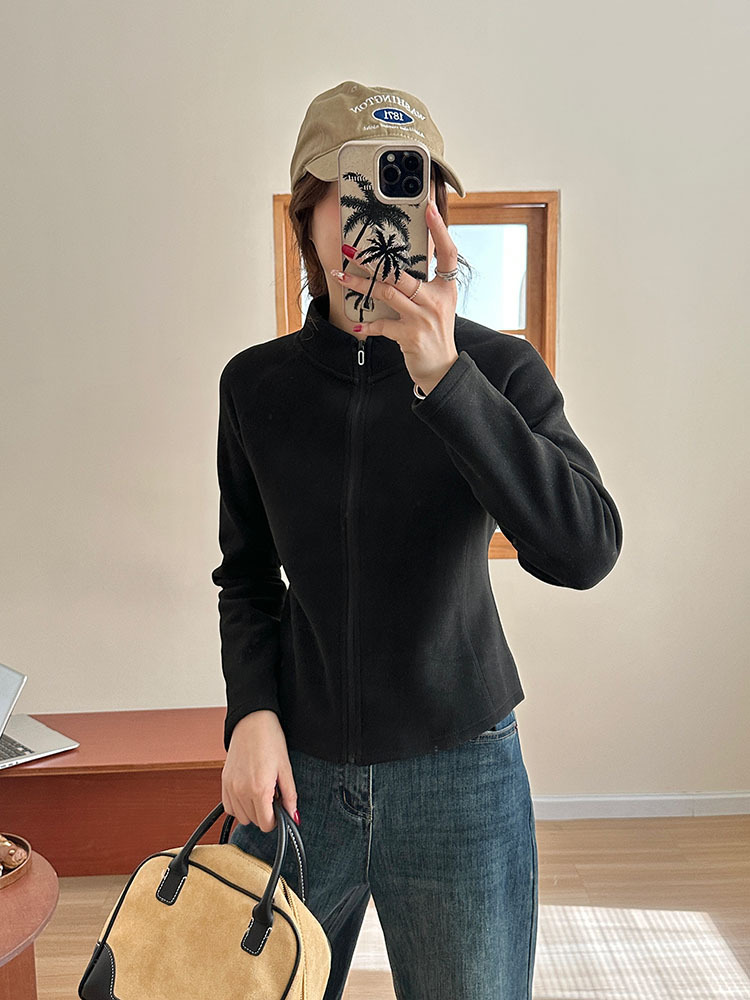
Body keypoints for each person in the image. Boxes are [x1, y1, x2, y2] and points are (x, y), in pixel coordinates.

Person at [212, 80, 623, 1000]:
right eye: (354, 191)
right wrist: (250, 713)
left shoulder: (498, 368)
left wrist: (447, 380)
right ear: (307, 217)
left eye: (411, 191)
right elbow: (246, 577)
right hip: (296, 775)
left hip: (462, 776)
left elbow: (585, 549)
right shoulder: (255, 387)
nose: (384, 220)